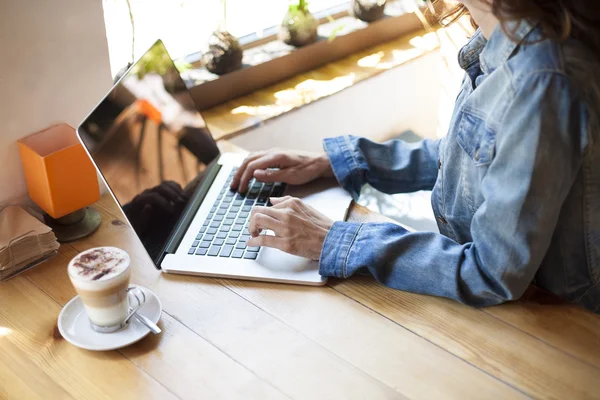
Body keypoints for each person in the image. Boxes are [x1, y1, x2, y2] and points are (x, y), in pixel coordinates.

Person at [231, 0, 600, 313]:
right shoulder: (503, 35)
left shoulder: (543, 80)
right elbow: (472, 156)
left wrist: (336, 239)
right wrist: (343, 161)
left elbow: (491, 273)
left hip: (556, 321)